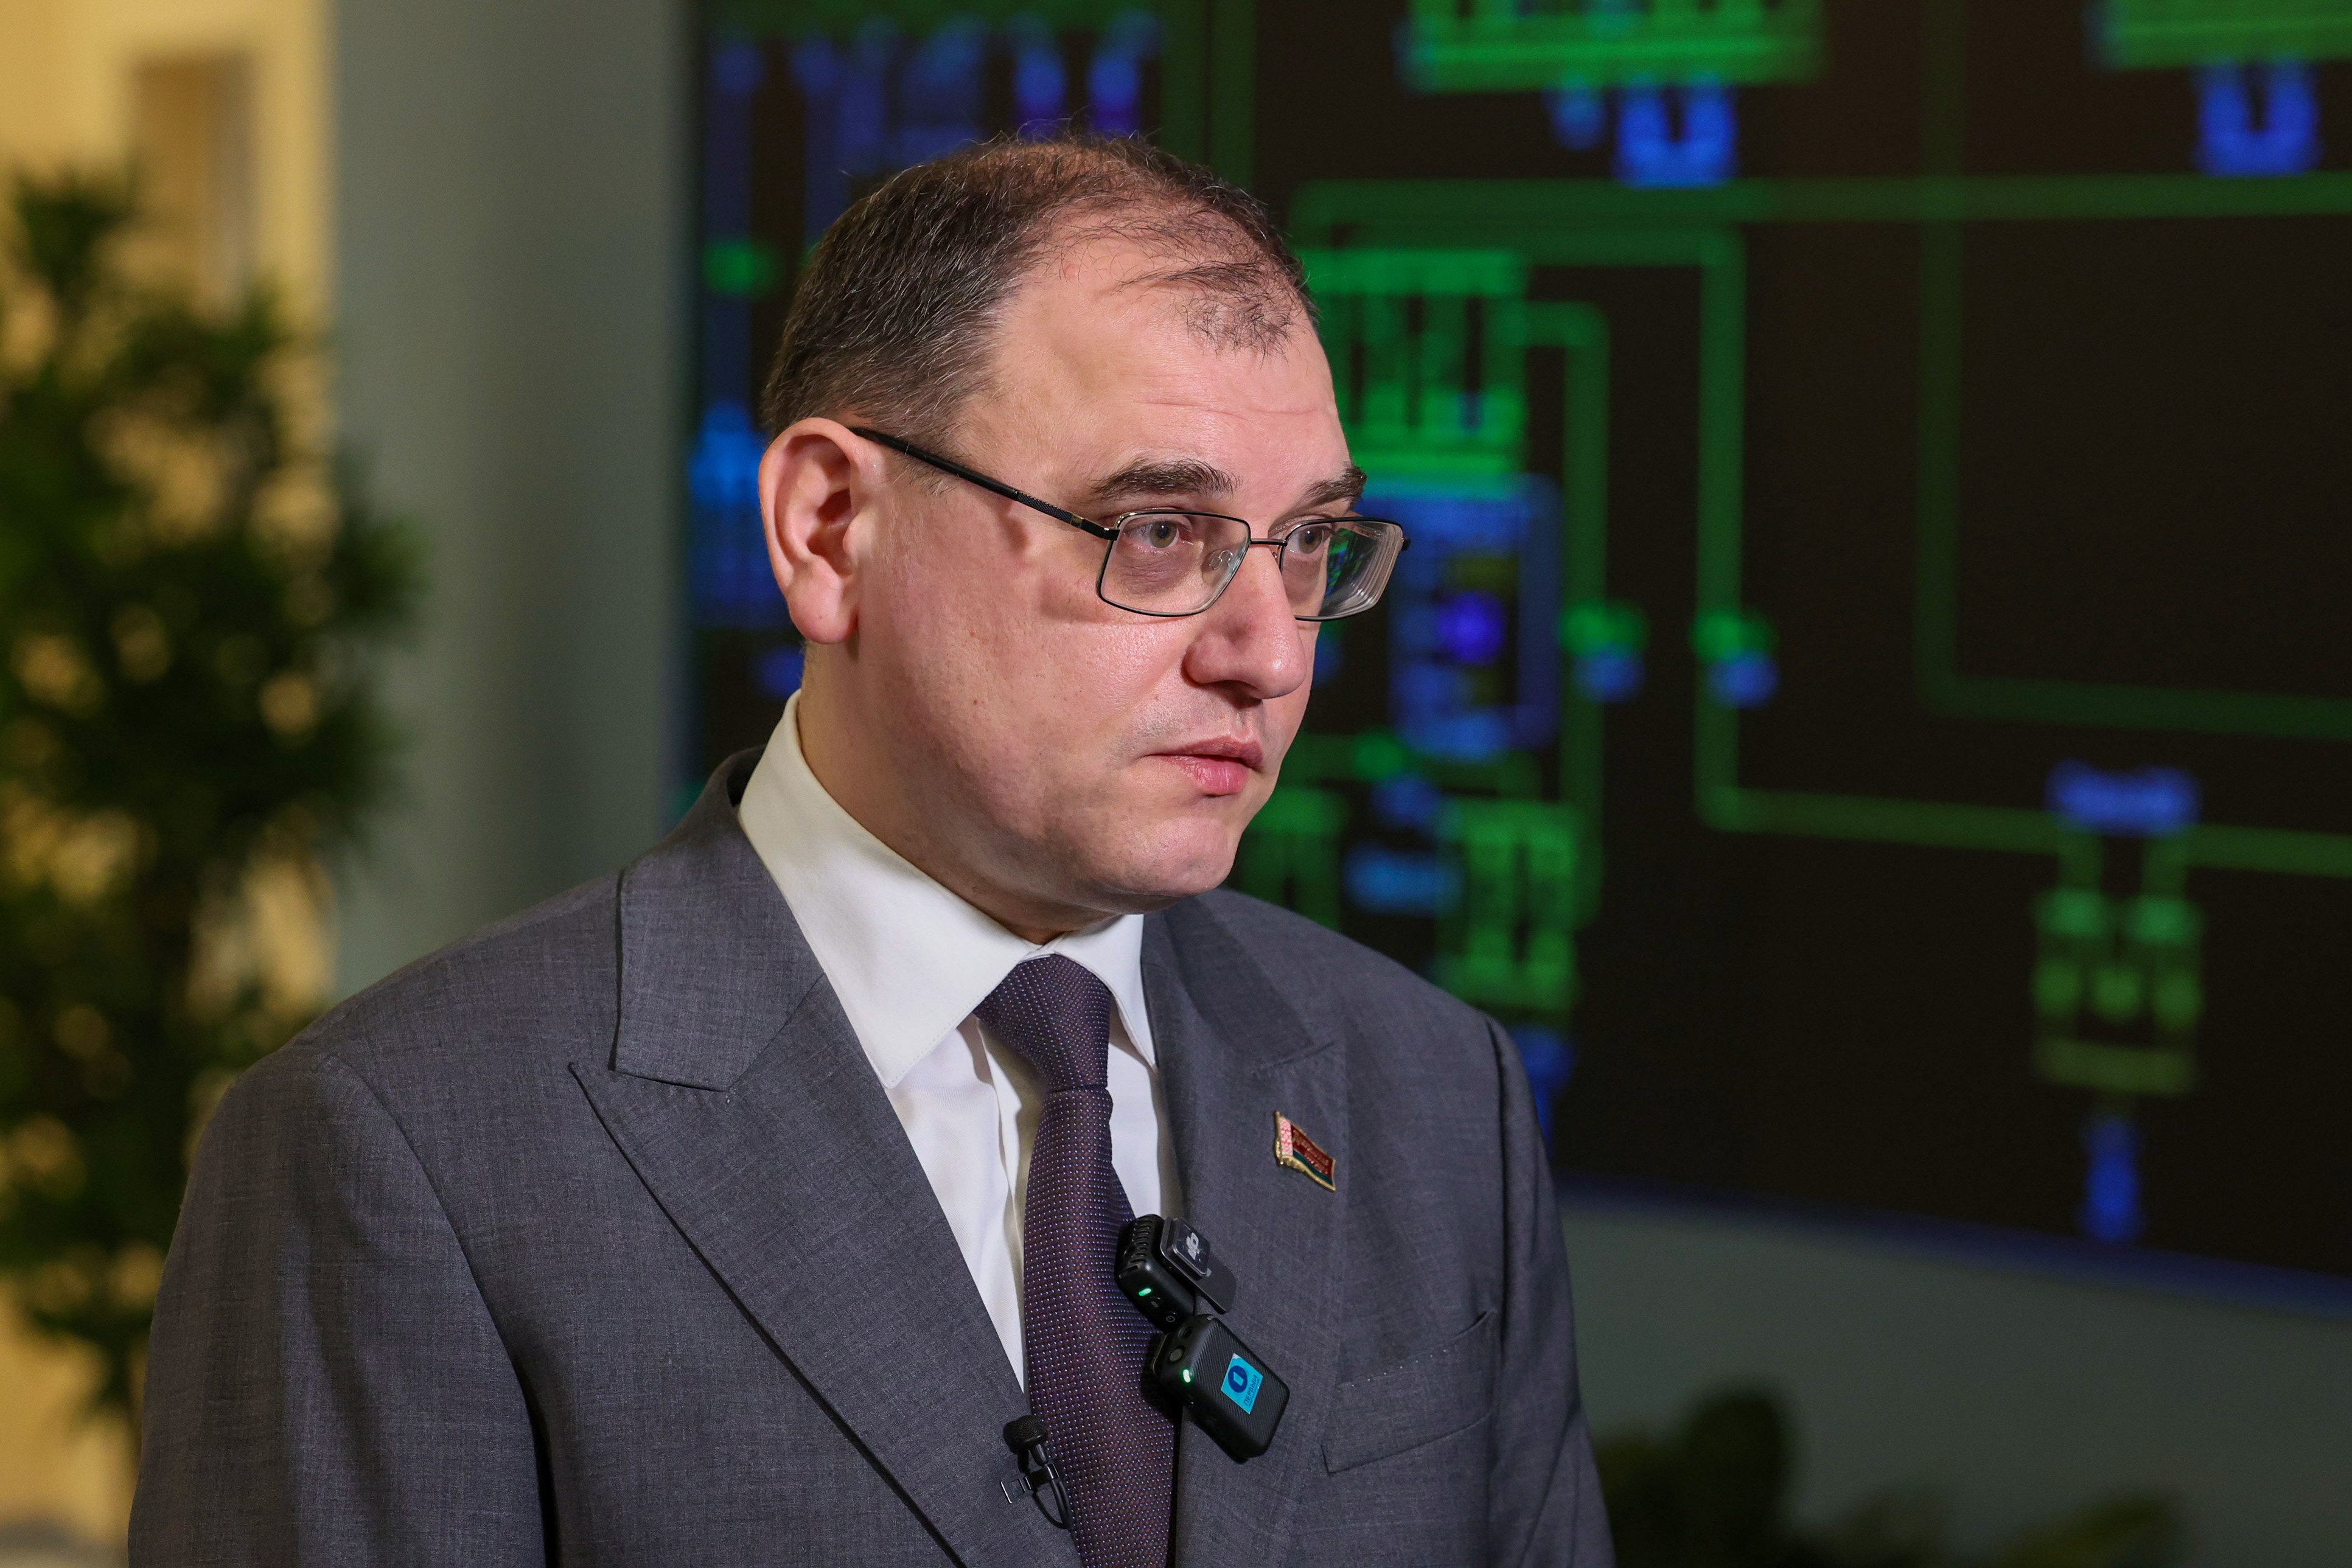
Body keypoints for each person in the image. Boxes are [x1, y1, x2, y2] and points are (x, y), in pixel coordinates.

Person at [133, 134, 1612, 1567]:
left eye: (1309, 544)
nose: (1270, 655)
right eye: (1160, 530)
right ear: (831, 527)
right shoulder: (406, 1147)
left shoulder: (1432, 1093)